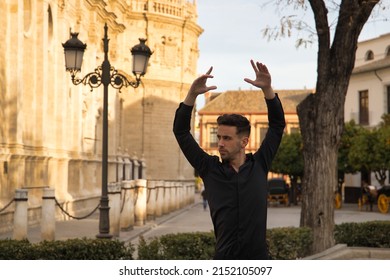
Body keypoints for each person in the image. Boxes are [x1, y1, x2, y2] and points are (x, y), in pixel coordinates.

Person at [173, 60, 286, 260]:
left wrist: (268, 90)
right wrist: (191, 96)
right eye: (219, 137)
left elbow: (277, 126)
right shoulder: (209, 168)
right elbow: (181, 131)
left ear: (244, 142)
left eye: (227, 138)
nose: (220, 143)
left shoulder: (259, 165)